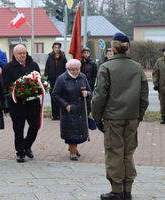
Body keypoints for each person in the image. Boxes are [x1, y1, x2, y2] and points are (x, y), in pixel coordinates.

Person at [91, 33, 149, 200]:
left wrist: (97, 117)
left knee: (114, 152)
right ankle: (127, 190)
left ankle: (117, 191)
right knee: (128, 153)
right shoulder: (137, 67)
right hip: (131, 117)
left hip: (112, 118)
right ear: (127, 48)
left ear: (113, 49)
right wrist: (138, 115)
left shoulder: (106, 67)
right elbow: (144, 96)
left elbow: (99, 95)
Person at [2, 44, 41, 163]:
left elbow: (39, 81)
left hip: (33, 104)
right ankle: (20, 152)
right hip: (17, 105)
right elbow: (6, 86)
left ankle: (27, 146)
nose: (23, 55)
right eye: (20, 53)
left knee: (35, 126)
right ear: (14, 55)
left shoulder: (33, 65)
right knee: (18, 130)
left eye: (24, 53)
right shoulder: (8, 68)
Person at [52, 59, 91, 161]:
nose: (76, 72)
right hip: (69, 109)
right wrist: (66, 105)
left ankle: (73, 148)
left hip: (81, 109)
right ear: (68, 69)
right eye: (73, 70)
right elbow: (55, 94)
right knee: (71, 132)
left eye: (77, 69)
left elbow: (90, 91)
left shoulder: (83, 77)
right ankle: (73, 153)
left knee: (79, 132)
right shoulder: (62, 79)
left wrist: (87, 93)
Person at [44, 42, 67, 120]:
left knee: (60, 97)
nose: (57, 49)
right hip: (52, 81)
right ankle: (54, 115)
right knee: (53, 97)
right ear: (53, 48)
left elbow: (66, 69)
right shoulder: (50, 57)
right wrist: (46, 78)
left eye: (58, 47)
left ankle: (60, 114)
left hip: (61, 81)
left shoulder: (63, 57)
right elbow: (47, 68)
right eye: (55, 47)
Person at [153, 47, 165, 124]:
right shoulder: (159, 61)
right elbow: (155, 73)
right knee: (163, 103)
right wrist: (156, 84)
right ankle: (163, 117)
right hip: (162, 86)